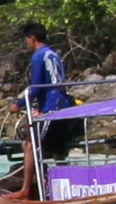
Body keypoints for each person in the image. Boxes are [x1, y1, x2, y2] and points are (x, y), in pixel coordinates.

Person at [22, 23, 84, 160]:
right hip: (63, 103)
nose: (26, 43)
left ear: (32, 38)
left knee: (30, 146)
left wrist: (19, 103)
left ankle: (29, 181)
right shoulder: (53, 54)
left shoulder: (38, 56)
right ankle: (60, 177)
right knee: (57, 149)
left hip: (52, 106)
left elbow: (36, 87)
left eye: (26, 39)